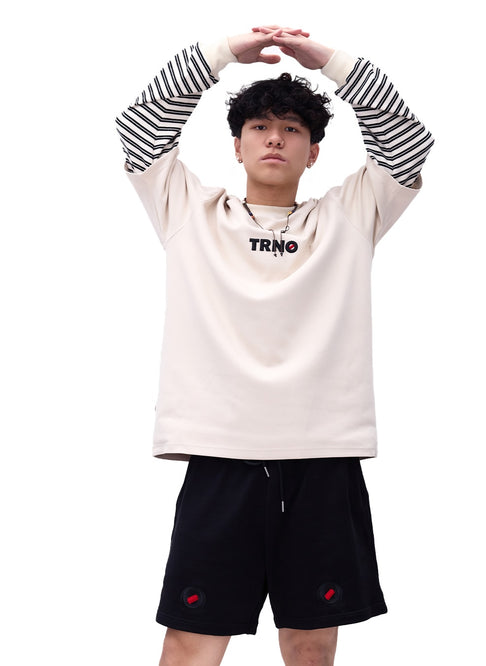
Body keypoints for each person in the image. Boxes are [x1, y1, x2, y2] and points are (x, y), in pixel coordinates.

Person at [116, 25, 433, 666]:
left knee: (311, 645)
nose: (275, 138)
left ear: (313, 152)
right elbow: (140, 127)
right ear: (237, 146)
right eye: (260, 127)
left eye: (292, 129)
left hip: (322, 459)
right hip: (221, 457)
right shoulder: (189, 210)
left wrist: (331, 63)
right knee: (190, 641)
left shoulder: (348, 216)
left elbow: (407, 143)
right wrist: (224, 54)